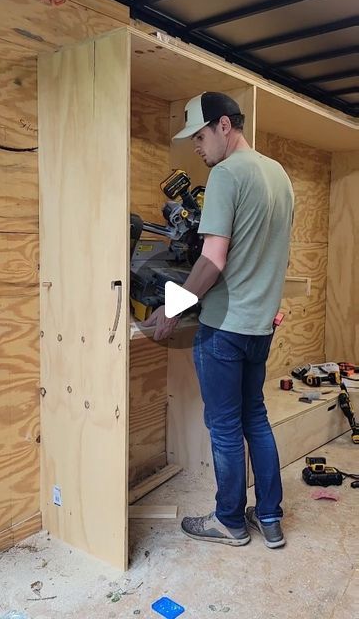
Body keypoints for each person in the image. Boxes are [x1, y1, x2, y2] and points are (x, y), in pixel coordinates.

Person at [143, 91, 294, 549]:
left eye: (201, 135)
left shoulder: (228, 174)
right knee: (256, 420)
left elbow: (212, 259)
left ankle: (229, 520)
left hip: (225, 328)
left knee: (226, 427)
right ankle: (268, 517)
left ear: (224, 126)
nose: (197, 146)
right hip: (261, 326)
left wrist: (172, 307)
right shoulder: (279, 175)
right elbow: (278, 255)